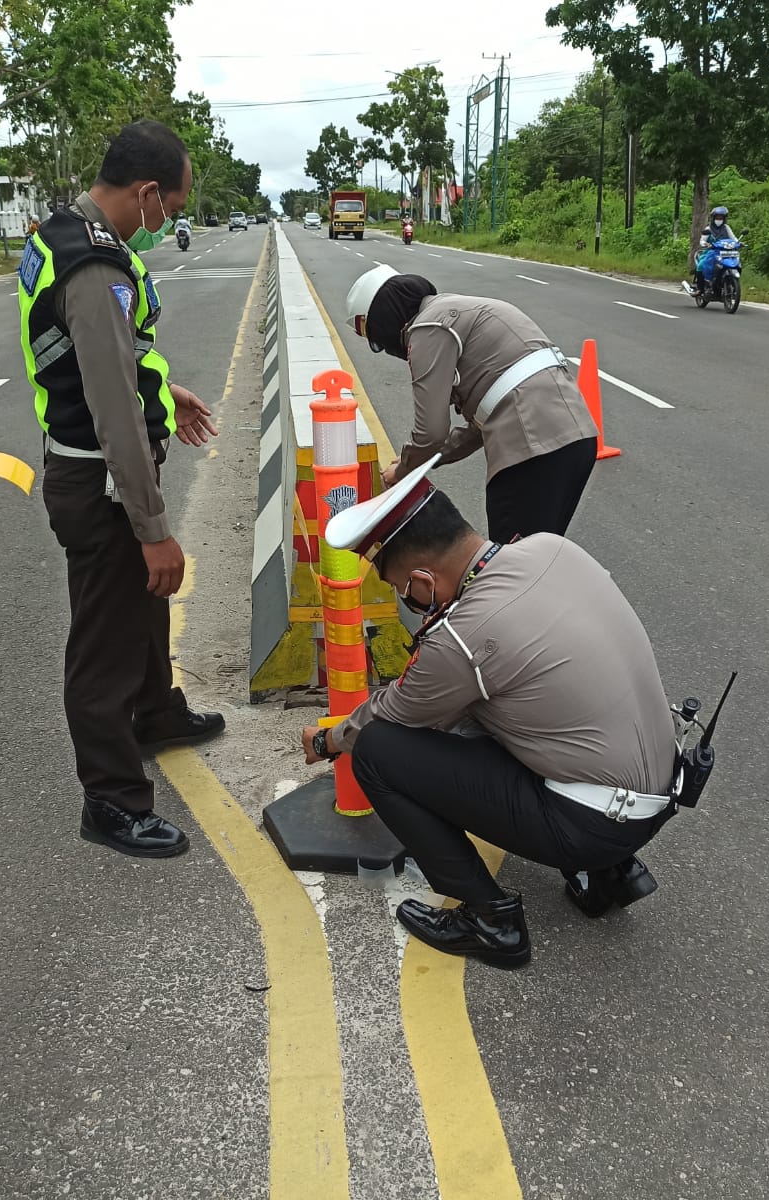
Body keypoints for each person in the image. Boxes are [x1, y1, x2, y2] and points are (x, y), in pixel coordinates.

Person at [300, 458, 679, 970]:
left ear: (422, 578)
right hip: (659, 791)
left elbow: (392, 714)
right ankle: (612, 873)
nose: (406, 601)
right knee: (501, 708)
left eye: (401, 590)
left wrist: (327, 741)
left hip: (592, 824)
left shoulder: (461, 635)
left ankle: (490, 920)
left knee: (377, 751)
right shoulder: (551, 547)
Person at [19, 119, 223, 859]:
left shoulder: (63, 229)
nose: (167, 221)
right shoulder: (95, 266)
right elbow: (110, 409)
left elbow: (115, 359)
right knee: (105, 638)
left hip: (98, 466)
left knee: (146, 605)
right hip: (101, 477)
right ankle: (111, 797)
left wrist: (173, 394)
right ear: (144, 194)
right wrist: (152, 525)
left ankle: (155, 713)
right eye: (169, 206)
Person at [344, 265, 599, 543]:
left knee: (510, 565)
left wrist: (403, 469)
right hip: (575, 439)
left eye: (378, 340)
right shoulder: (459, 309)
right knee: (539, 557)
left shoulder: (428, 328)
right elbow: (478, 425)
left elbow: (430, 433)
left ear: (383, 322)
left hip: (532, 448)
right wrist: (422, 463)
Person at [693, 205, 738, 292]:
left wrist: (738, 243)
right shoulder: (708, 228)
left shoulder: (726, 228)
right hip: (710, 251)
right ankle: (700, 288)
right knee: (701, 265)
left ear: (724, 219)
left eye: (721, 218)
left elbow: (733, 238)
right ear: (713, 218)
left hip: (725, 252)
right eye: (717, 217)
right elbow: (702, 241)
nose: (719, 220)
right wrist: (706, 244)